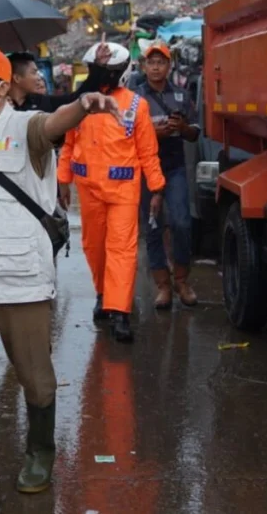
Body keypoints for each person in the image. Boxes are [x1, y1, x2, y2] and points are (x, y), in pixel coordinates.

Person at [0, 42, 119, 514]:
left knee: (35, 379)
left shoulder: (26, 128)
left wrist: (81, 104)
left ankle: (40, 452)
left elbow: (54, 124)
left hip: (20, 280)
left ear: (1, 88)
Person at [57, 42, 166, 343]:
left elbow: (147, 152)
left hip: (123, 190)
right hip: (88, 189)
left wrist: (156, 188)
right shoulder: (82, 104)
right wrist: (62, 180)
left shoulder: (135, 105)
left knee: (122, 249)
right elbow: (68, 144)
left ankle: (120, 311)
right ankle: (103, 293)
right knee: (94, 246)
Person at [136, 41, 200, 308]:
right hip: (145, 171)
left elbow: (195, 134)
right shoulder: (136, 97)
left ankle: (182, 280)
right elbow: (125, 133)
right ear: (144, 66)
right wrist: (153, 133)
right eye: (151, 62)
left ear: (169, 66)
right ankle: (162, 285)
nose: (155, 67)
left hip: (173, 169)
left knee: (182, 223)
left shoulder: (182, 96)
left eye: (160, 62)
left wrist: (181, 127)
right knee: (152, 226)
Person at [8, 51, 98, 112]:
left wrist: (98, 67)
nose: (39, 78)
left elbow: (74, 98)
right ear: (17, 78)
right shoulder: (0, 108)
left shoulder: (41, 102)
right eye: (34, 72)